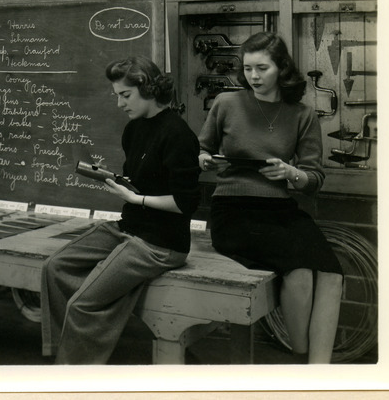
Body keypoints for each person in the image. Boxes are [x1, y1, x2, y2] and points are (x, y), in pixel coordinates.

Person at [41, 57, 201, 364]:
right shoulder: (133, 130)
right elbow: (144, 182)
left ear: (149, 90)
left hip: (161, 243)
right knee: (55, 267)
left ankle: (72, 377)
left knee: (82, 305)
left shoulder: (179, 135)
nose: (119, 103)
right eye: (117, 95)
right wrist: (120, 183)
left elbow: (185, 204)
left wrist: (134, 198)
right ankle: (68, 355)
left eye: (124, 95)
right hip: (130, 228)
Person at [197, 31, 343, 364]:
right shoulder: (225, 103)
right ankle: (301, 357)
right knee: (301, 271)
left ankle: (318, 373)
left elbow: (313, 178)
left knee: (332, 274)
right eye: (248, 69)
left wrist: (290, 173)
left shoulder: (303, 114)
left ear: (281, 68)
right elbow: (202, 148)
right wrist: (203, 158)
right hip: (233, 210)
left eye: (262, 68)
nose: (253, 77)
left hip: (280, 209)